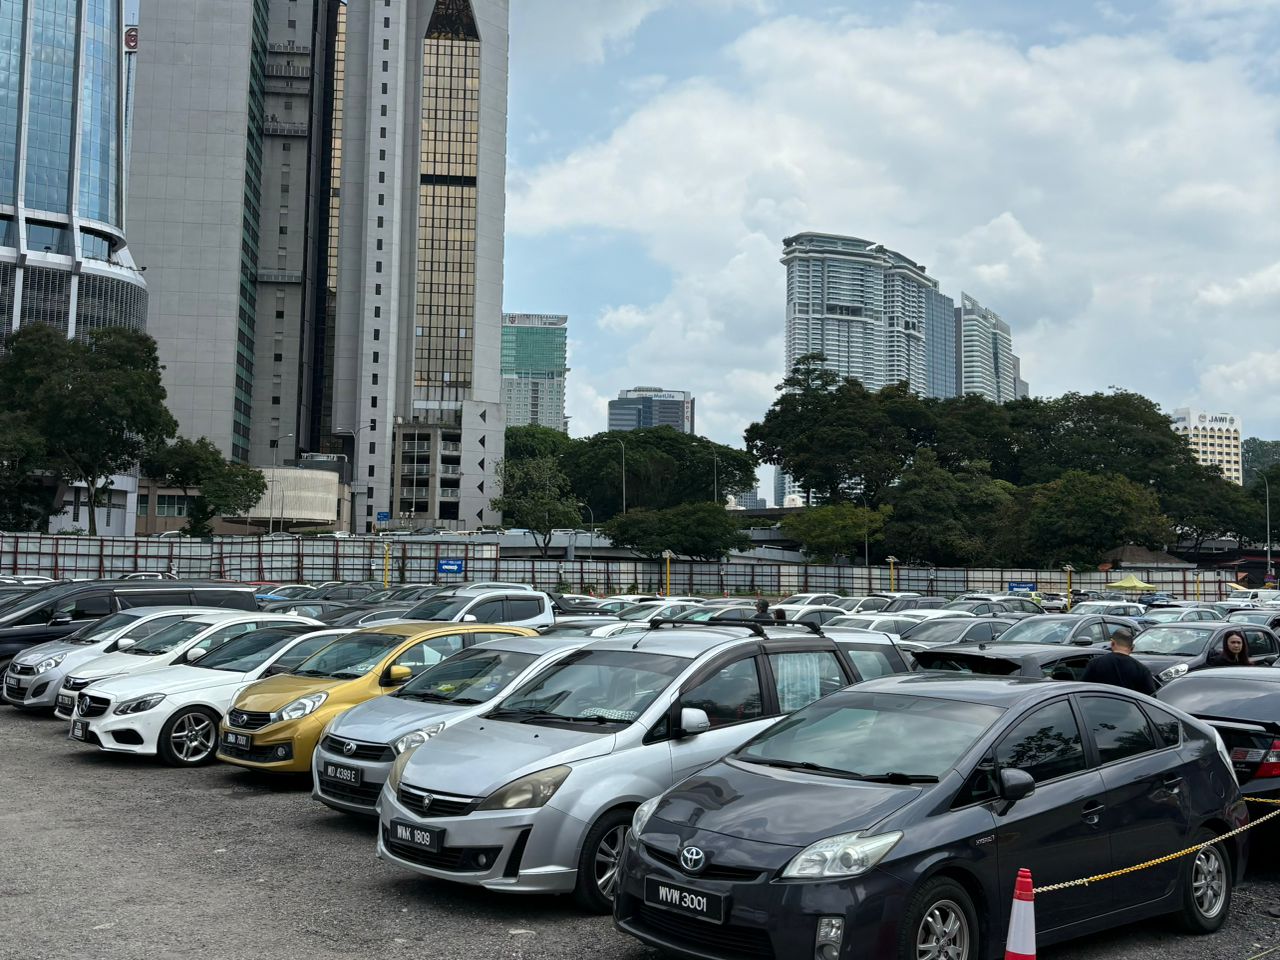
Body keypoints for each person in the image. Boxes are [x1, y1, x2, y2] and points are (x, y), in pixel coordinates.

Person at [1081, 627, 1159, 695]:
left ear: (1112, 643)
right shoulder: (1142, 670)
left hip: (1097, 709)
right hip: (1128, 711)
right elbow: (1151, 697)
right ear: (1132, 647)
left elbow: (1083, 688)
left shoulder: (1094, 664)